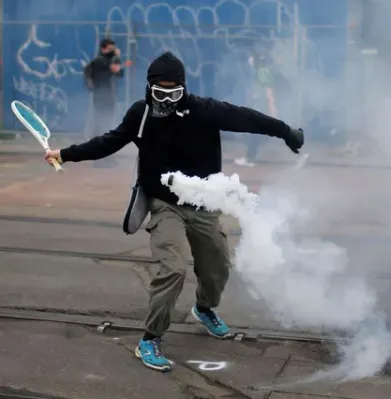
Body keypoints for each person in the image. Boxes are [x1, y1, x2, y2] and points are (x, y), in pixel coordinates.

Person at [45, 51, 304, 372]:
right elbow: (108, 142)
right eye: (160, 92)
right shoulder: (140, 114)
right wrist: (65, 154)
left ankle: (204, 308)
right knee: (173, 269)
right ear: (149, 88)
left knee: (218, 267)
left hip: (204, 205)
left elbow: (247, 118)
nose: (166, 99)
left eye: (173, 92)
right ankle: (150, 339)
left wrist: (285, 130)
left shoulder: (204, 110)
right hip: (164, 205)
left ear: (183, 88)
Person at [234, 46, 285, 167]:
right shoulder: (262, 71)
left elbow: (269, 90)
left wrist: (272, 107)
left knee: (256, 131)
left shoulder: (263, 71)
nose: (250, 60)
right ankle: (250, 157)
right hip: (261, 105)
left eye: (252, 57)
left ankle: (249, 158)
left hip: (262, 106)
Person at [83, 38, 125, 168]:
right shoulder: (100, 61)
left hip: (106, 97)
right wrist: (117, 58)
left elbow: (119, 73)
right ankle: (99, 157)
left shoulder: (105, 61)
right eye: (110, 48)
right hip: (102, 97)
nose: (112, 51)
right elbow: (115, 71)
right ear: (103, 48)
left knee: (105, 125)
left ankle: (104, 156)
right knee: (101, 126)